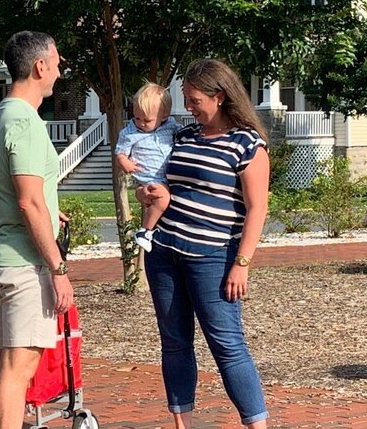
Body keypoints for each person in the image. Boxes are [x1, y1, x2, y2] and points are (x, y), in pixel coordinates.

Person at [136, 58, 271, 429]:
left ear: (220, 96)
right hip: (164, 252)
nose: (188, 108)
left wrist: (241, 263)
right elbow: (163, 183)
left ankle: (256, 425)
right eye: (186, 99)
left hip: (213, 257)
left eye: (194, 100)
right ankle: (183, 424)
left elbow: (257, 208)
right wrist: (147, 194)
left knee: (227, 346)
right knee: (174, 342)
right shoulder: (183, 136)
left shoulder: (247, 144)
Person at [0, 30, 73, 429]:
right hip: (24, 265)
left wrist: (51, 211)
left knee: (0, 363)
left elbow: (16, 195)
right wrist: (58, 268)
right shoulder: (26, 123)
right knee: (18, 371)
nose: (59, 68)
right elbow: (28, 201)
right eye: (57, 61)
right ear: (39, 66)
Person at [115, 82, 183, 252]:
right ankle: (145, 231)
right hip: (149, 178)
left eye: (147, 120)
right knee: (162, 198)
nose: (141, 123)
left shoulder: (170, 126)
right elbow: (120, 153)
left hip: (167, 177)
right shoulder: (130, 133)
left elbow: (181, 132)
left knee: (165, 198)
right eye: (137, 118)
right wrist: (125, 163)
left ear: (164, 116)